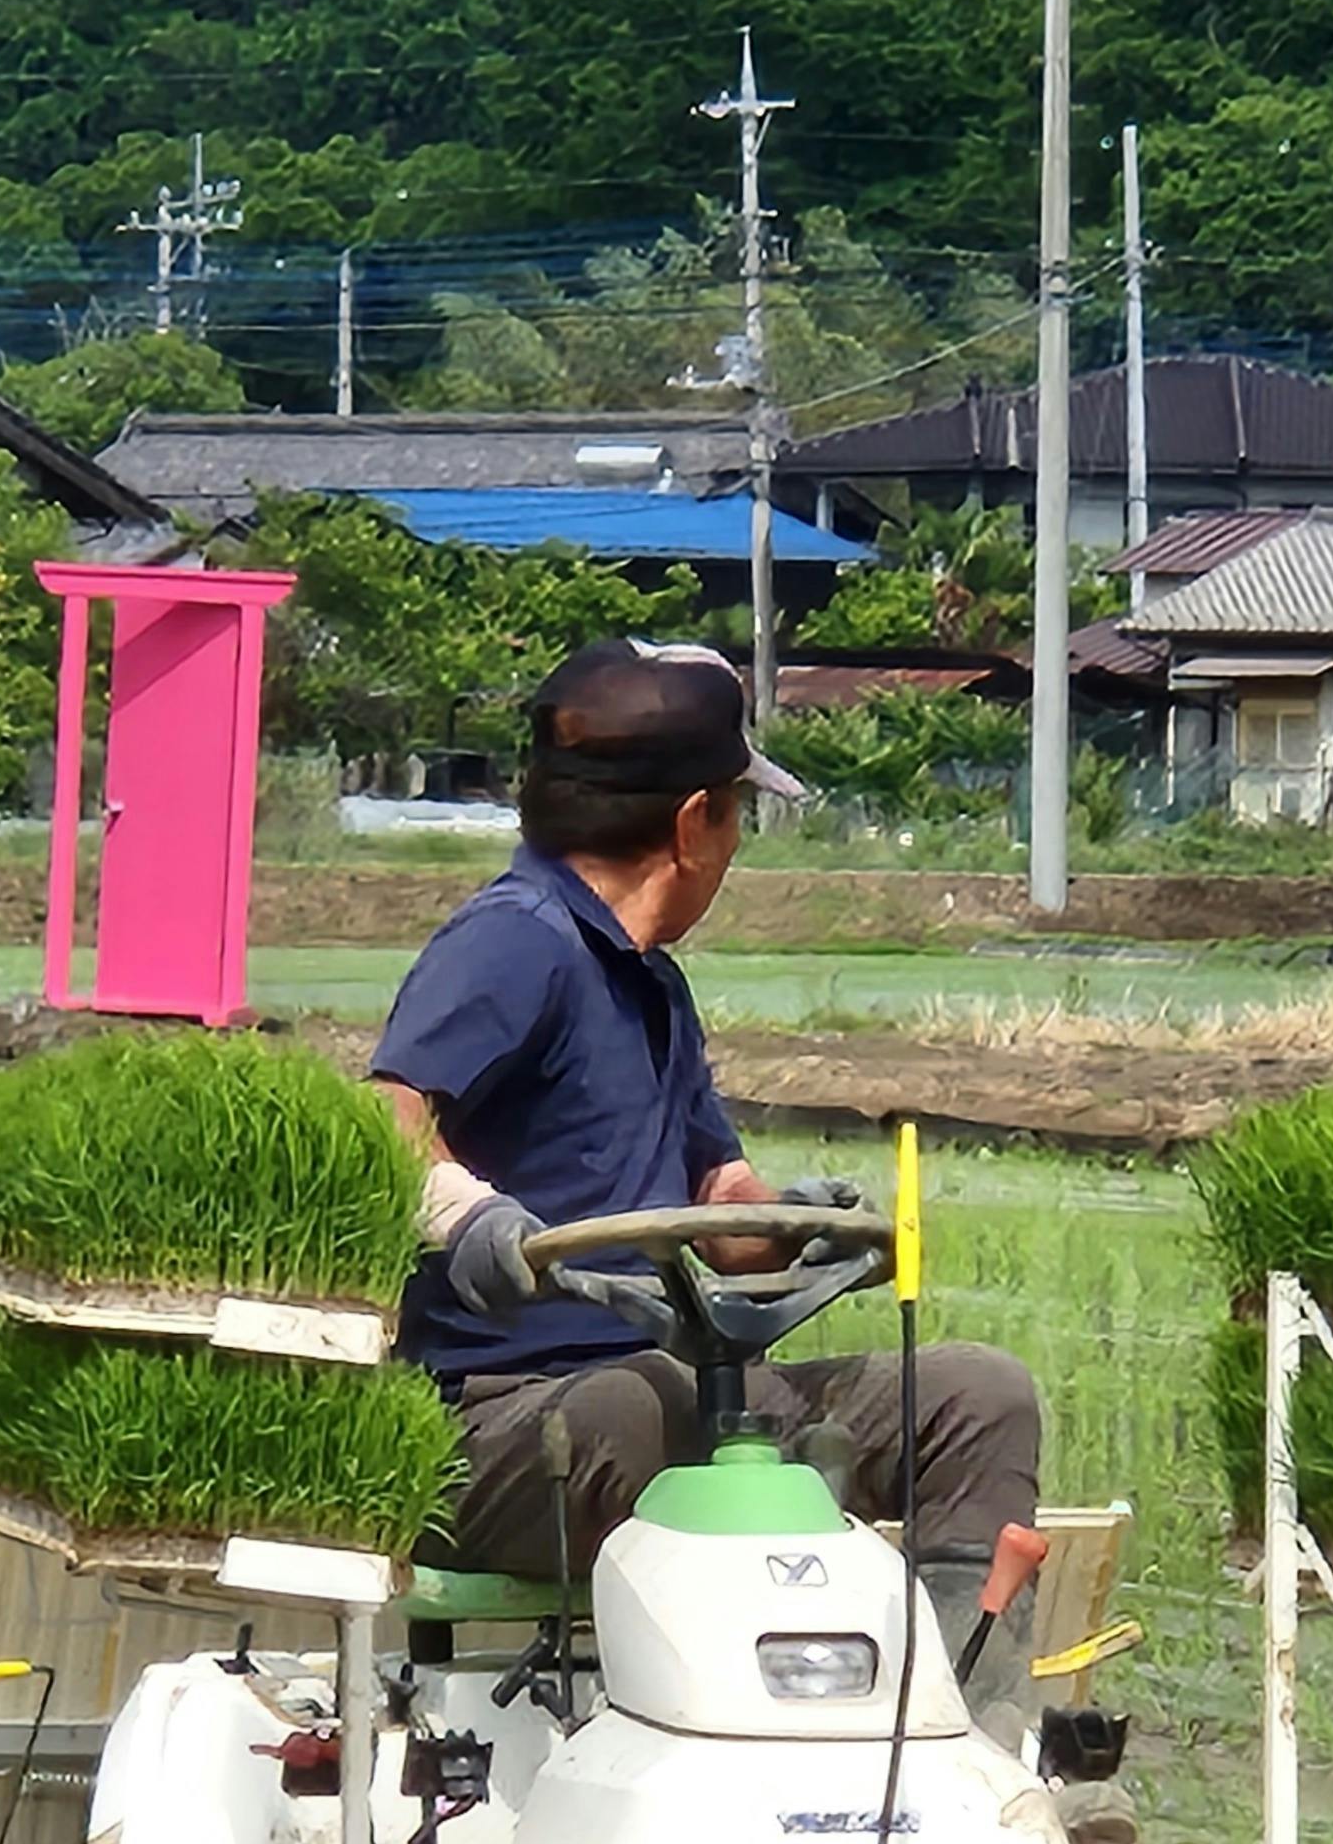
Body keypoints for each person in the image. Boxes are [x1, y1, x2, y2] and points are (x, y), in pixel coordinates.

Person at [370, 637, 1044, 1636]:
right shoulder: (518, 938)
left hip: (683, 1391)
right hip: (504, 1418)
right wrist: (469, 1218)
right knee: (636, 1409)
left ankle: (951, 1731)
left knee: (976, 1397)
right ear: (695, 823)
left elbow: (717, 1205)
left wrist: (783, 1227)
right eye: (736, 815)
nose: (734, 846)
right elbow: (384, 1116)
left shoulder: (652, 982)